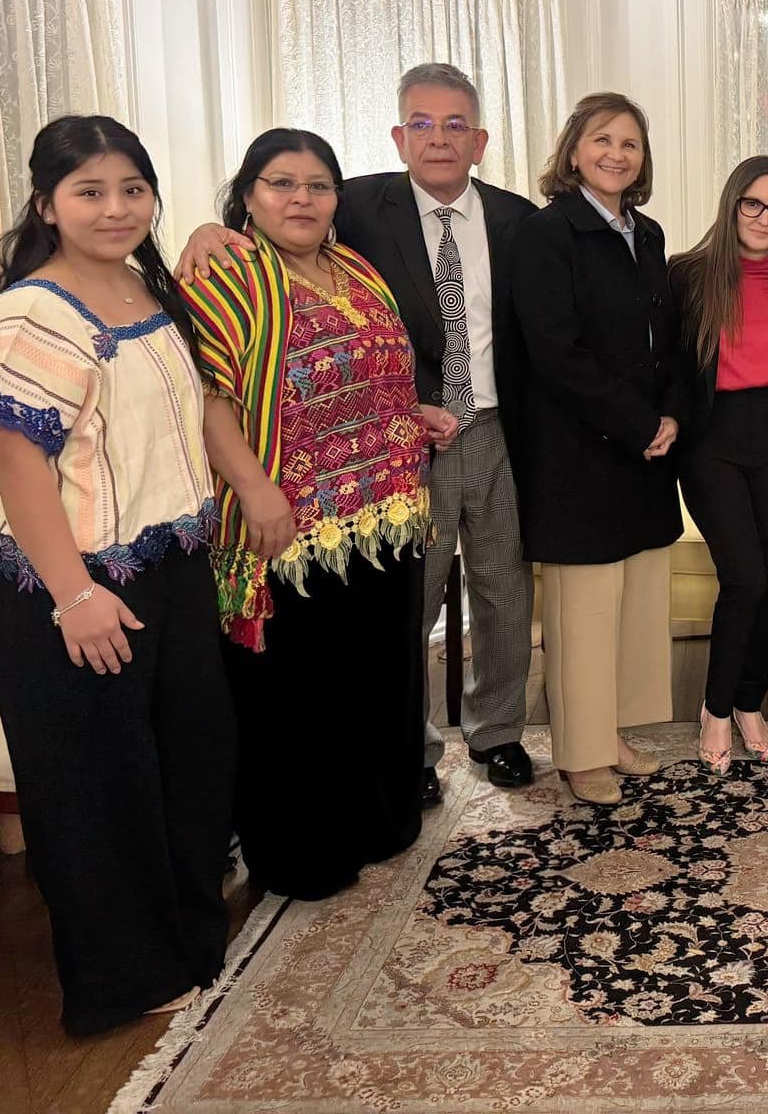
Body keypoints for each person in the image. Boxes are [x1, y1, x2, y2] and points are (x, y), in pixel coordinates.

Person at [175, 65, 539, 808]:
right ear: (399, 136)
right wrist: (209, 227)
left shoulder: (519, 218)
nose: (439, 139)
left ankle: (497, 733)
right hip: (403, 446)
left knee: (506, 591)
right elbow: (270, 212)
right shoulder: (361, 204)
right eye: (423, 124)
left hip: (498, 429)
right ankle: (412, 750)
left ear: (480, 140)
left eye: (455, 126)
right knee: (412, 598)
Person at [0, 115, 233, 1035]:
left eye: (132, 190)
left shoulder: (139, 284)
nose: (115, 209)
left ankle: (187, 940)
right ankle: (123, 976)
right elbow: (17, 463)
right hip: (67, 582)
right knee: (98, 789)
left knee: (188, 764)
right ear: (46, 204)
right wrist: (74, 594)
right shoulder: (25, 312)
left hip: (169, 565)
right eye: (90, 192)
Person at [181, 130, 458, 899]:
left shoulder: (355, 268)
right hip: (290, 528)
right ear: (247, 195)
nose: (301, 198)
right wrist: (256, 490)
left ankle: (382, 820)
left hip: (384, 519)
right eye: (281, 183)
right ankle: (308, 854)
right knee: (303, 699)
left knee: (376, 678)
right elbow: (207, 398)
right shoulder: (225, 274)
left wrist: (416, 411)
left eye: (318, 185)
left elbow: (375, 368)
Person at [510, 93, 681, 806]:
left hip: (642, 447)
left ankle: (609, 731)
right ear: (574, 150)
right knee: (582, 609)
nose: (616, 153)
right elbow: (555, 351)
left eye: (630, 144)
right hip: (578, 448)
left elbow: (661, 338)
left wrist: (669, 414)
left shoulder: (649, 233)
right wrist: (637, 422)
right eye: (602, 139)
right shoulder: (547, 233)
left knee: (631, 599)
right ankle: (579, 756)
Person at [670, 156, 768, 771]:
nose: (765, 217)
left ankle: (751, 701)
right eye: (752, 204)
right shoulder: (687, 275)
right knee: (745, 578)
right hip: (712, 441)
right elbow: (665, 365)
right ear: (731, 206)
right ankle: (716, 706)